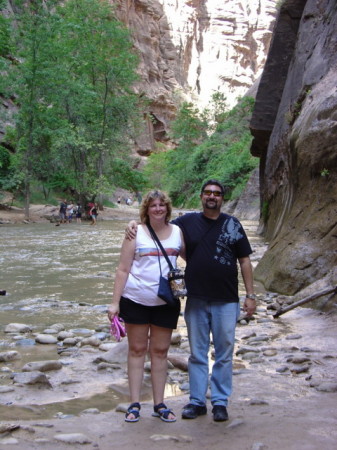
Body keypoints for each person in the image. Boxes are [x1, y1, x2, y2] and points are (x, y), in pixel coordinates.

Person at [126, 179, 256, 422]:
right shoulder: (186, 223)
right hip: (195, 298)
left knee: (224, 352)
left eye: (217, 194)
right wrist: (134, 224)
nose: (212, 197)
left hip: (227, 299)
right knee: (197, 353)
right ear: (201, 196)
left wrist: (250, 295)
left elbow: (245, 261)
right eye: (208, 192)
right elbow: (157, 226)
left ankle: (219, 401)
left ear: (222, 198)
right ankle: (197, 401)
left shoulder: (233, 224)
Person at [108, 190, 185, 423]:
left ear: (168, 208)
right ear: (146, 209)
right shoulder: (135, 232)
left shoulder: (178, 232)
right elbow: (123, 268)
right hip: (135, 299)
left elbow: (193, 259)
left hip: (166, 301)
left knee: (160, 352)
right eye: (153, 205)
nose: (158, 209)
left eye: (162, 205)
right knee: (137, 350)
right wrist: (115, 302)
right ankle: (134, 404)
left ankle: (160, 404)